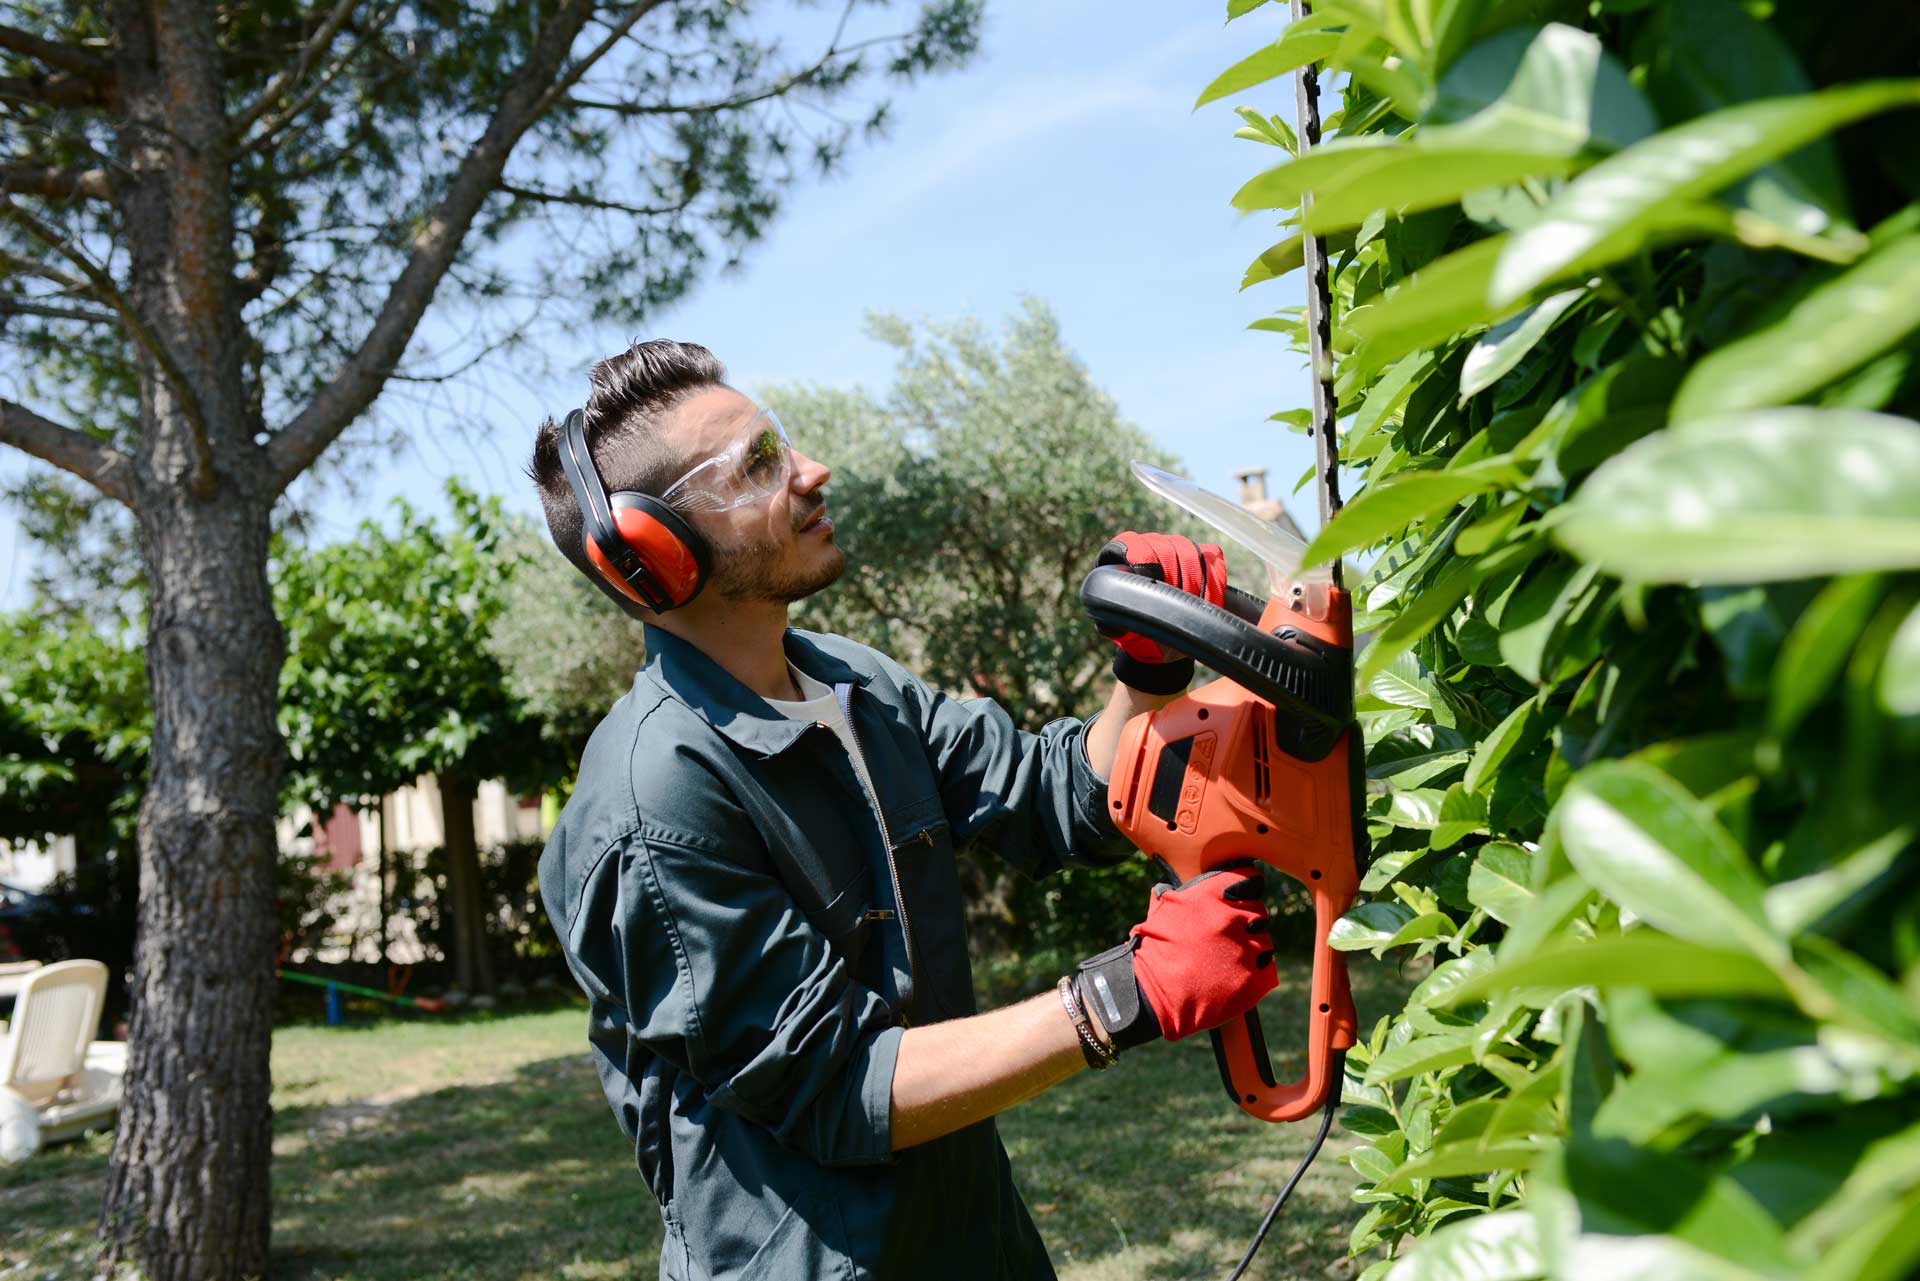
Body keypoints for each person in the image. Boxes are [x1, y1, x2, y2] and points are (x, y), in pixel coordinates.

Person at [529, 339, 1277, 1280]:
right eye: (758, 464)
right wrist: (1118, 998)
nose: (811, 470)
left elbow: (1055, 796)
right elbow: (841, 1084)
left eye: (784, 442)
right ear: (655, 553)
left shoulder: (853, 682)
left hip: (975, 1239)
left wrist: (1146, 671)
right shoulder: (654, 799)